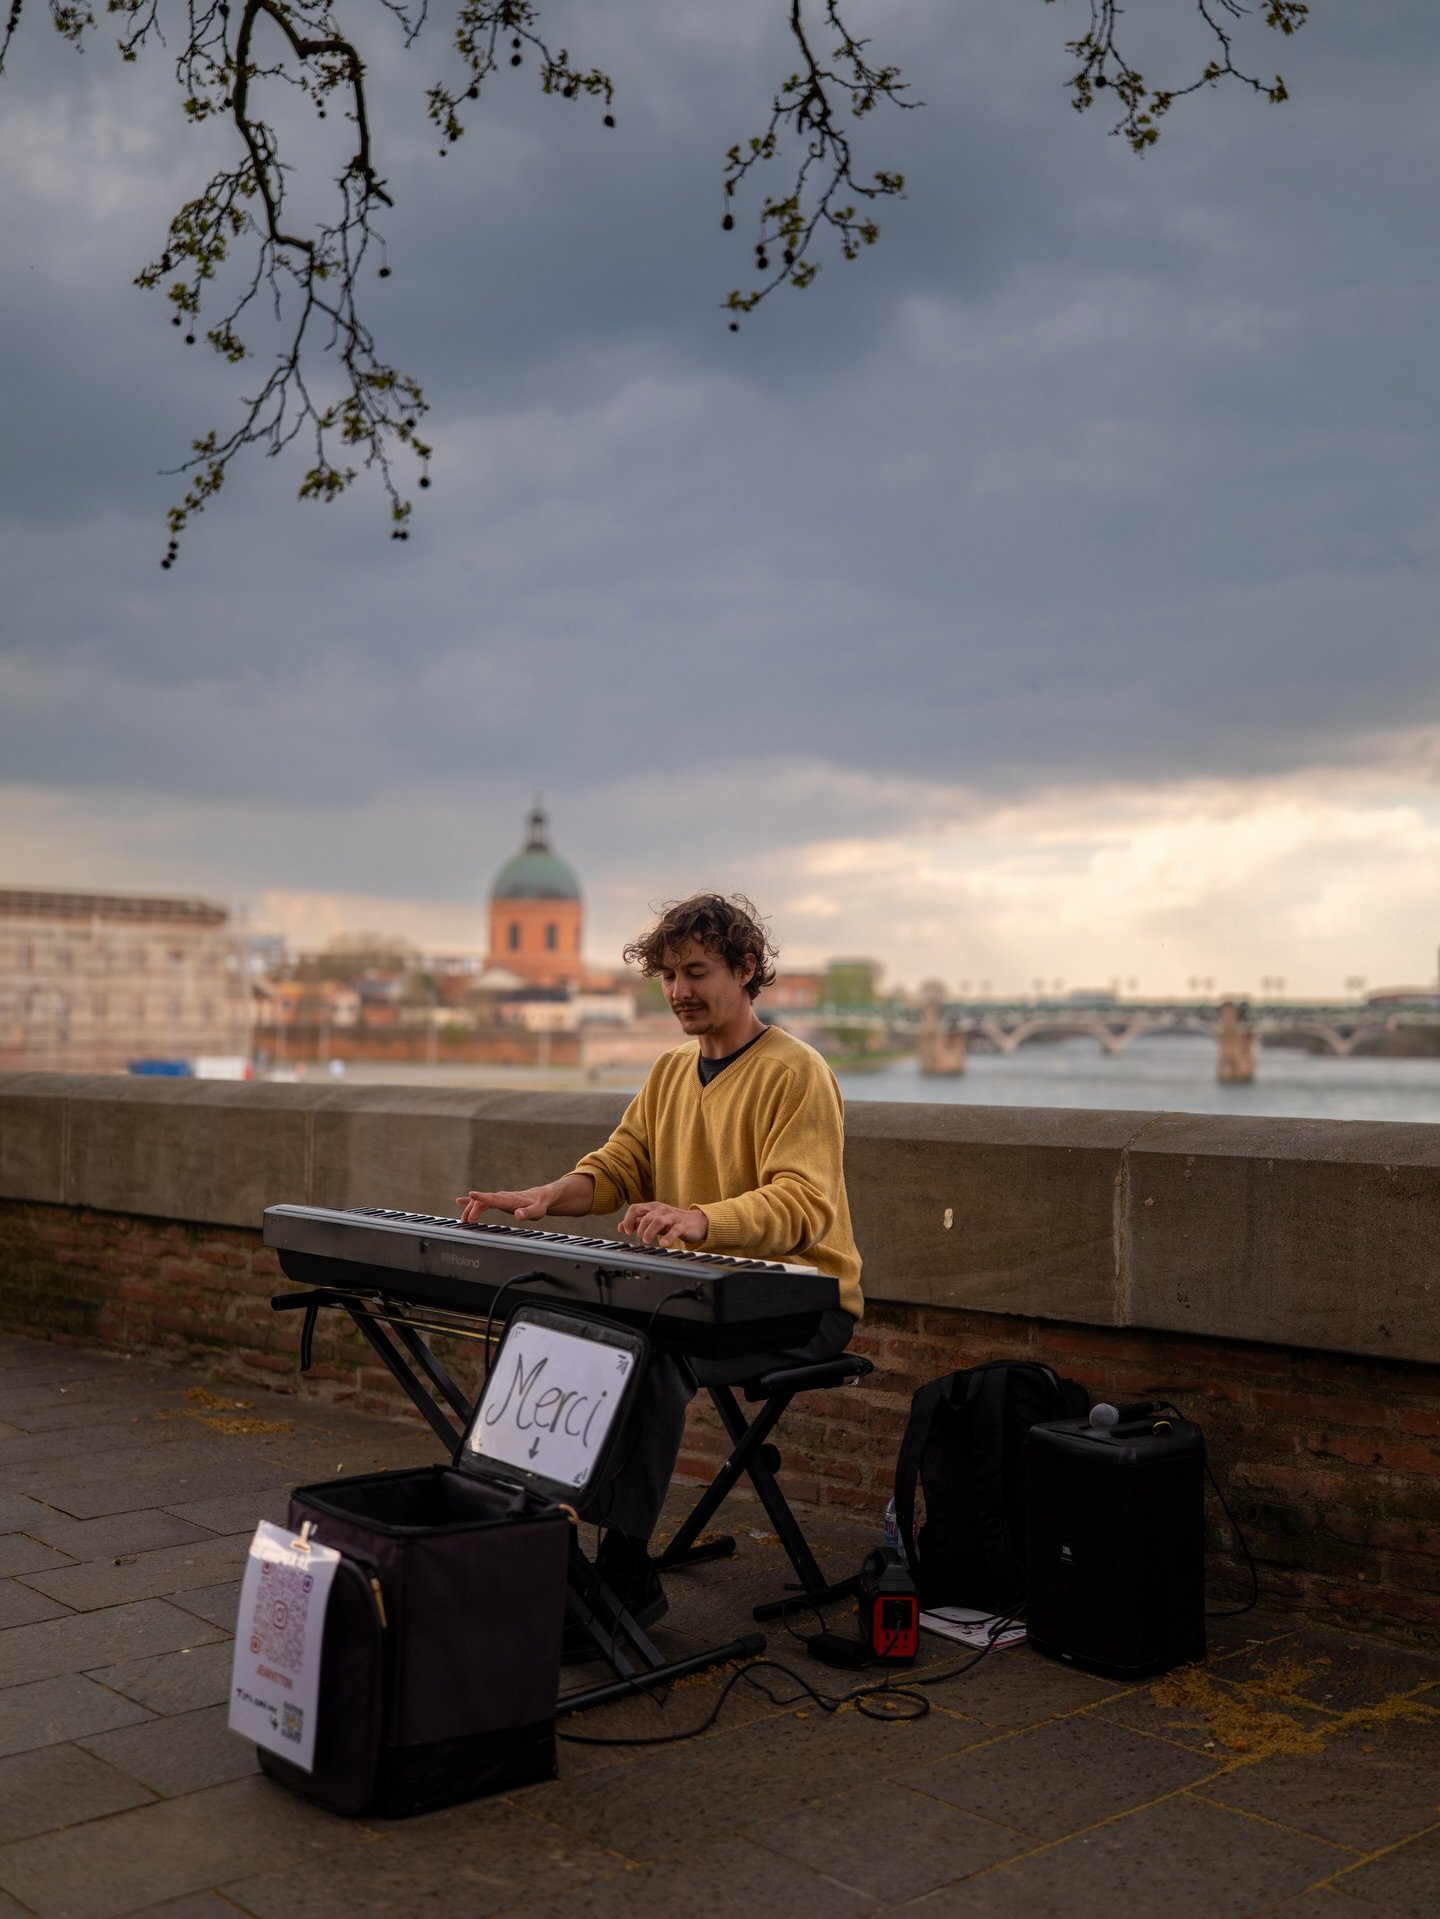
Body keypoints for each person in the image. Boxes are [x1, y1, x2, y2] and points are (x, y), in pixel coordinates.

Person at [456, 892, 863, 1626]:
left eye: (696, 972)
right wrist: (548, 1194)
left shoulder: (795, 1072)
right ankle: (537, 1530)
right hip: (704, 1293)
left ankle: (625, 1571)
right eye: (668, 975)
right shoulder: (672, 1070)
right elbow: (619, 1167)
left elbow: (805, 1205)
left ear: (746, 970)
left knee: (646, 1354)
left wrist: (701, 1217)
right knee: (555, 1324)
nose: (678, 991)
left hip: (805, 1303)